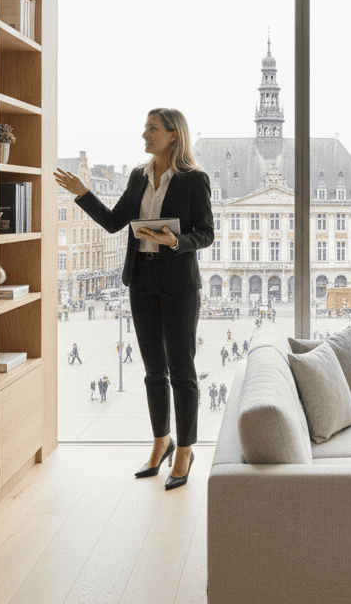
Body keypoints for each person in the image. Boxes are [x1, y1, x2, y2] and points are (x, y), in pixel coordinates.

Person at [54, 107, 214, 490]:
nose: (145, 134)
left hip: (177, 281)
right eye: (145, 127)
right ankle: (161, 441)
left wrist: (175, 240)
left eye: (152, 128)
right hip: (141, 277)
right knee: (152, 369)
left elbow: (206, 233)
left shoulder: (195, 180)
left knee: (182, 370)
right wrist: (83, 194)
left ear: (173, 134)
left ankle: (186, 449)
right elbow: (114, 221)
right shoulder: (138, 176)